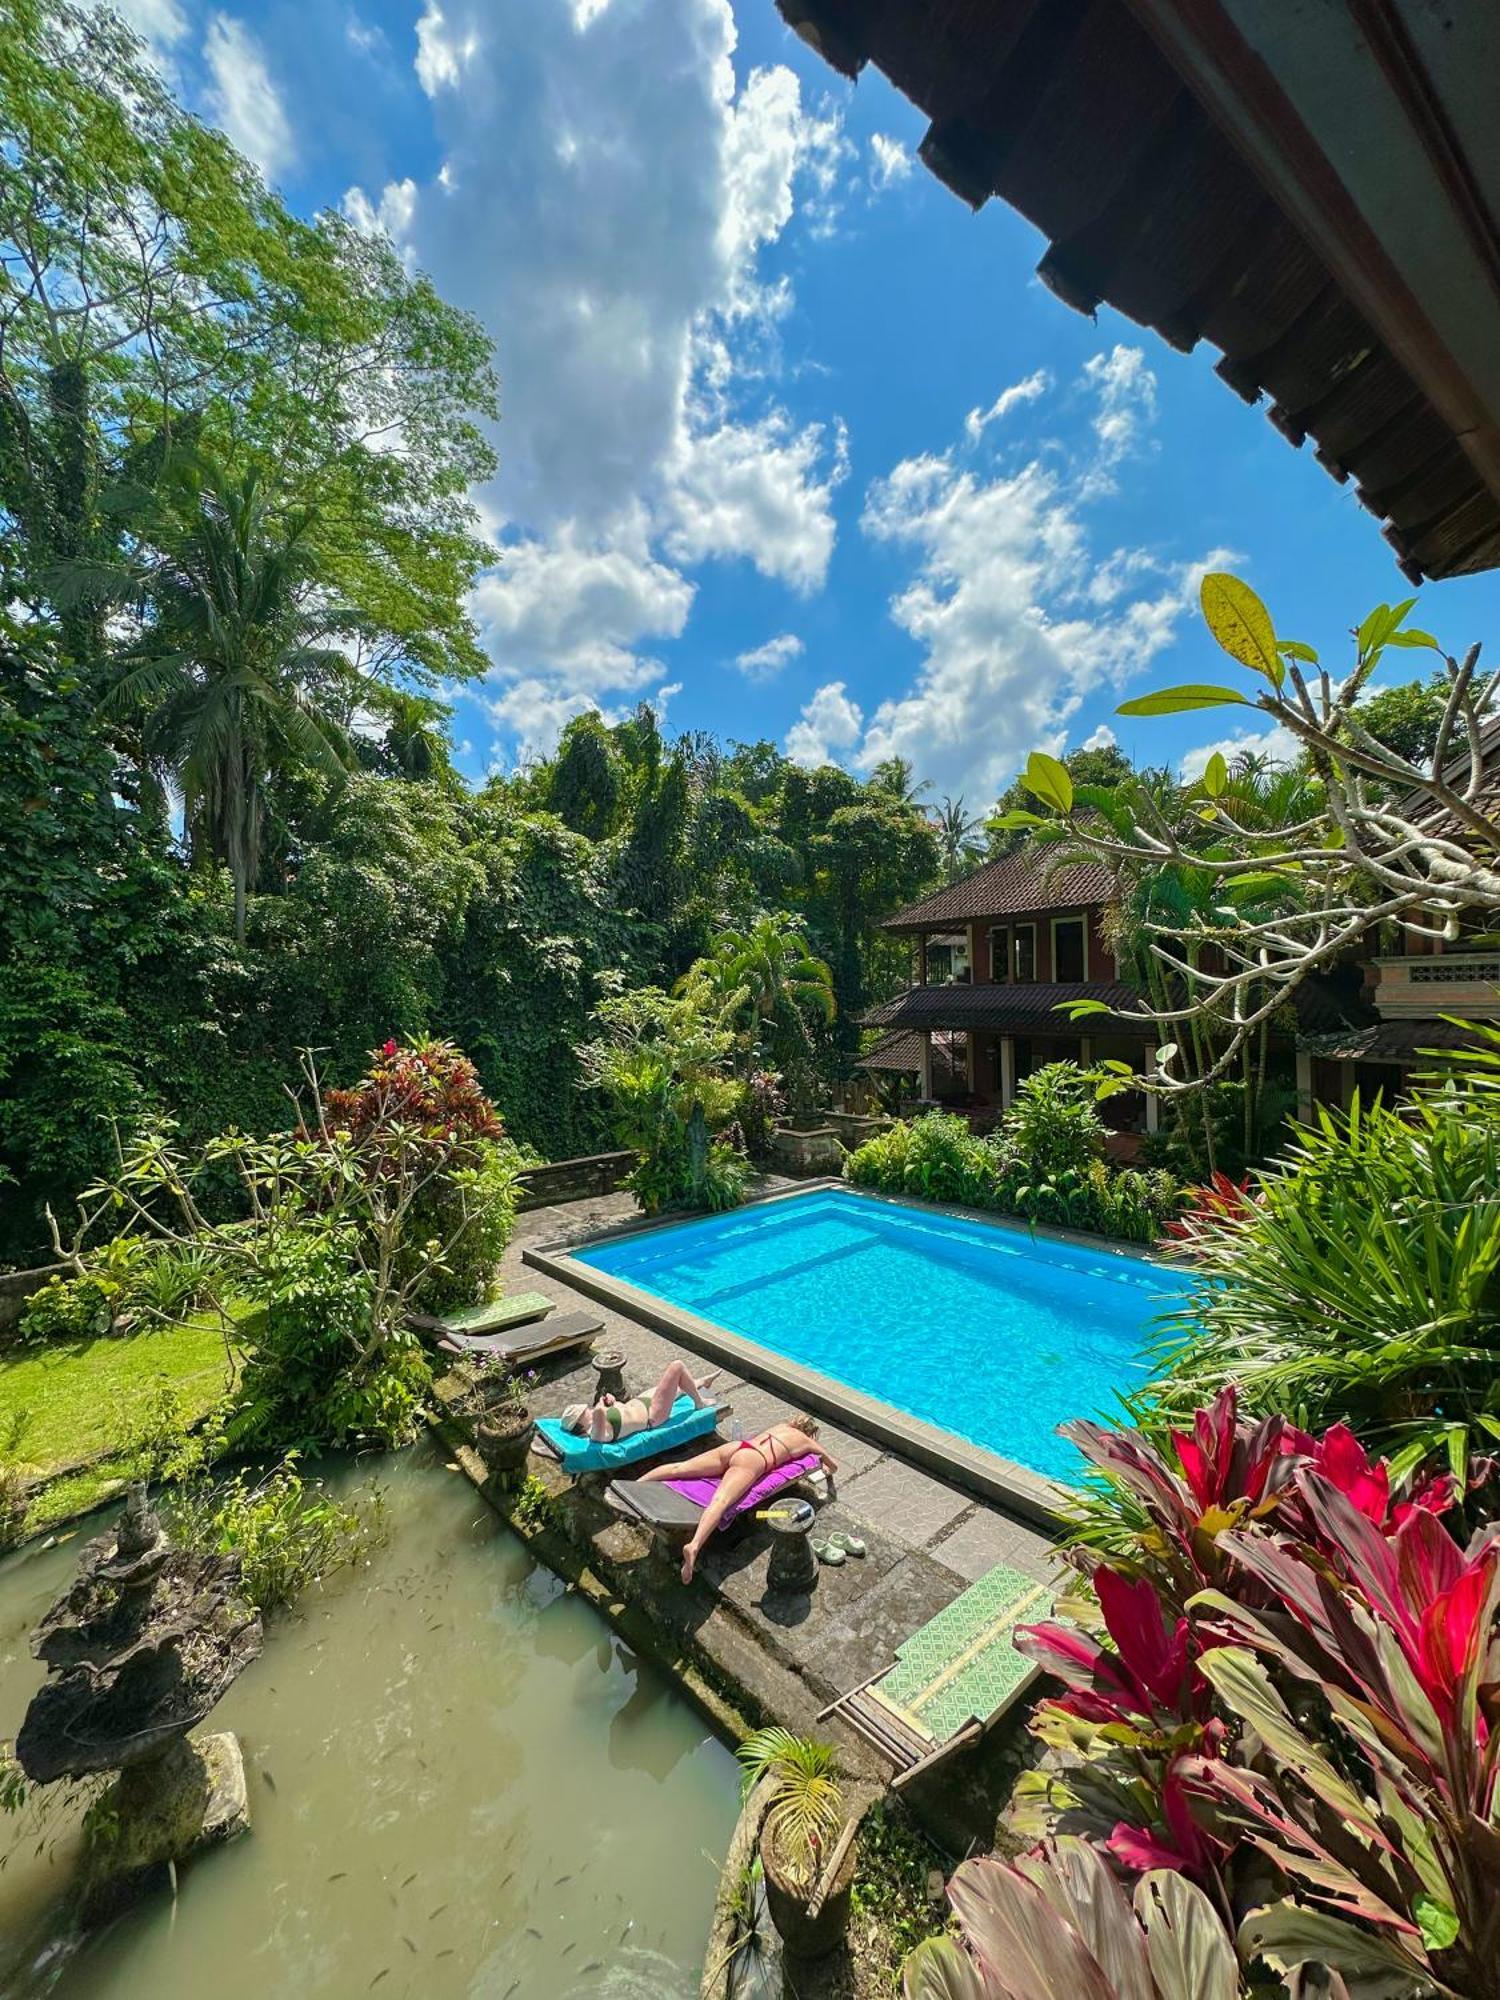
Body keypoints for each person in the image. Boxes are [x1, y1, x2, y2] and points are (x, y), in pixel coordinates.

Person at [639, 1414, 838, 1585]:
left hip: (737, 1447)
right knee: (721, 1501)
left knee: (679, 1468)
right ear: (810, 1432)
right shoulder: (807, 1441)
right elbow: (833, 1465)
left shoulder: (782, 1426)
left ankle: (634, 1485)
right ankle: (694, 1545)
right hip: (754, 1461)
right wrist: (825, 1468)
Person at [558, 1358, 718, 1445]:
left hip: (641, 1402)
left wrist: (613, 1403)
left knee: (674, 1385)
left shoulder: (599, 1421)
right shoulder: (595, 1434)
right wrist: (601, 1404)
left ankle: (700, 1382)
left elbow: (618, 1412)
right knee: (677, 1367)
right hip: (652, 1415)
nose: (589, 1409)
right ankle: (699, 1402)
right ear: (580, 1422)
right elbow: (599, 1412)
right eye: (584, 1411)